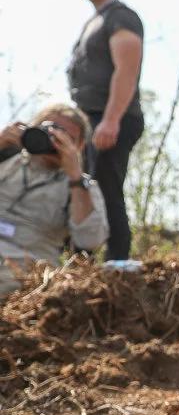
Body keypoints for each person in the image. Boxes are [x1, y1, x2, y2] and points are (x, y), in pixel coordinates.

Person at [67, 0, 143, 261]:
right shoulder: (95, 20)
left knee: (106, 192)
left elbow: (127, 69)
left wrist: (111, 120)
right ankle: (81, 265)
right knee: (83, 190)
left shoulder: (120, 16)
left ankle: (118, 265)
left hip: (111, 119)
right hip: (90, 123)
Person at [0, 104, 107, 296]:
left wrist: (75, 176)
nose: (53, 140)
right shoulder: (7, 160)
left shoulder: (82, 186)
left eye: (65, 138)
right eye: (46, 130)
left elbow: (90, 240)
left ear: (79, 146)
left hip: (25, 271)